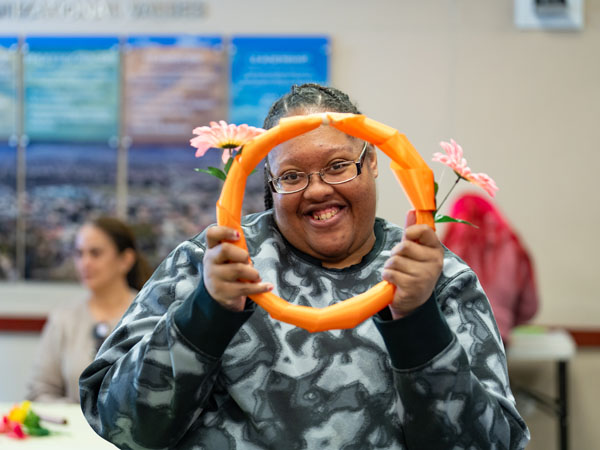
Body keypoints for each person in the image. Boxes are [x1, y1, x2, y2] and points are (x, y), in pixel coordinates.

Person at [80, 84, 529, 449]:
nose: (316, 191)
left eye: (338, 166)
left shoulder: (439, 278)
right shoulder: (211, 262)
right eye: (292, 176)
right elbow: (123, 426)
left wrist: (418, 321)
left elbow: (491, 444)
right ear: (270, 184)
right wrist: (206, 310)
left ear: (372, 163)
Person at [26, 216, 152, 403]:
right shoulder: (64, 318)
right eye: (79, 253)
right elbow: (39, 391)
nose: (84, 263)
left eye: (95, 253)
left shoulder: (150, 315)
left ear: (125, 259)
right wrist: (75, 416)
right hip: (72, 431)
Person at [441, 193, 539, 344]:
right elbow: (530, 307)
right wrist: (504, 322)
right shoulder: (514, 247)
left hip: (449, 337)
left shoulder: (445, 248)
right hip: (497, 336)